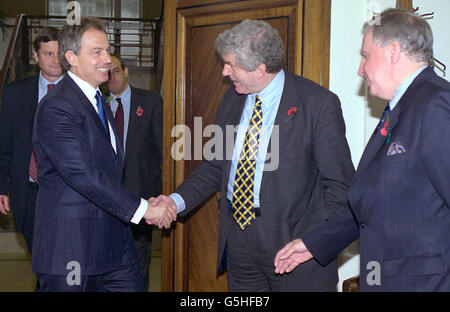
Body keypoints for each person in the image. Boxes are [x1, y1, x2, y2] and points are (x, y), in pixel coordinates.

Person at [152, 19, 355, 291]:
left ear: (260, 69)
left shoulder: (317, 104)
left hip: (294, 249)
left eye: (231, 65)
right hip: (240, 246)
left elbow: (340, 188)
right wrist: (176, 202)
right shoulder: (231, 100)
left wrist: (310, 242)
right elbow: (215, 166)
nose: (225, 72)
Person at [274, 8, 450, 292]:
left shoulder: (436, 104)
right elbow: (372, 205)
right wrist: (313, 244)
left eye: (365, 55)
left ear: (393, 51)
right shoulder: (402, 108)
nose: (360, 69)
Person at [31, 17, 175, 292]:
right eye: (97, 52)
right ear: (71, 57)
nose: (107, 59)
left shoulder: (98, 99)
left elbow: (110, 168)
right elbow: (83, 174)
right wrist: (144, 208)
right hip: (72, 249)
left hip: (115, 247)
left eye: (107, 51)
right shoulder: (58, 106)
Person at [0, 27, 64, 253]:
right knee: (39, 256)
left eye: (59, 53)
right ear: (36, 56)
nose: (55, 60)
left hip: (66, 193)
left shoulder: (81, 94)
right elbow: (4, 145)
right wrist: (1, 188)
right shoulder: (14, 94)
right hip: (27, 193)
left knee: (60, 259)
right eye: (48, 54)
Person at [106, 54, 163, 291]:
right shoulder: (97, 104)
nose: (112, 78)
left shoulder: (150, 102)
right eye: (107, 73)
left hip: (141, 196)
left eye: (116, 71)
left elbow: (162, 149)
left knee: (139, 264)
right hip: (107, 199)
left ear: (126, 71)